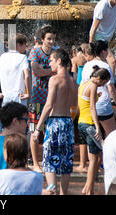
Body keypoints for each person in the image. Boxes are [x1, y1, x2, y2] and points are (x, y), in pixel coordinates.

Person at [32, 49, 77, 195]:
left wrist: (38, 128)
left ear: (59, 61)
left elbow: (49, 104)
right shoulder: (72, 82)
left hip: (55, 123)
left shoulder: (54, 79)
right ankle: (64, 193)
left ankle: (52, 192)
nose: (49, 63)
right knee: (66, 164)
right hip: (68, 123)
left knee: (49, 163)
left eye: (51, 60)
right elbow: (74, 107)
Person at [77, 66, 111, 195]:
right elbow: (92, 108)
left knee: (95, 158)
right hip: (90, 124)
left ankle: (86, 187)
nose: (103, 85)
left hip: (81, 123)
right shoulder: (93, 86)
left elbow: (84, 102)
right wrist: (97, 126)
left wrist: (96, 95)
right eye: (103, 82)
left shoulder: (83, 83)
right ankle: (89, 191)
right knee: (94, 160)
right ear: (98, 78)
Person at [28, 25, 57, 171]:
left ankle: (47, 161)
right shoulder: (35, 52)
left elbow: (61, 70)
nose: (51, 42)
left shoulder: (56, 53)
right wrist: (51, 71)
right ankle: (35, 163)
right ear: (42, 39)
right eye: (49, 39)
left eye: (53, 39)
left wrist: (46, 71)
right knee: (34, 132)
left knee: (50, 132)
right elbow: (36, 71)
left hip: (52, 100)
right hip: (37, 98)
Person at [81, 40, 116, 136]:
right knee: (111, 135)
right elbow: (111, 88)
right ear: (102, 52)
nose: (108, 53)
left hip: (90, 106)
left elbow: (83, 85)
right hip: (103, 107)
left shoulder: (86, 65)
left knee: (95, 139)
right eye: (107, 50)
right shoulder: (105, 66)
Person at [0, 33, 31, 107]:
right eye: (24, 45)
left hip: (6, 98)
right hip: (19, 97)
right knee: (20, 118)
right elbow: (27, 76)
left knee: (7, 118)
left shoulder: (3, 57)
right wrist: (29, 93)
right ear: (18, 45)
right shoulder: (23, 57)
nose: (25, 48)